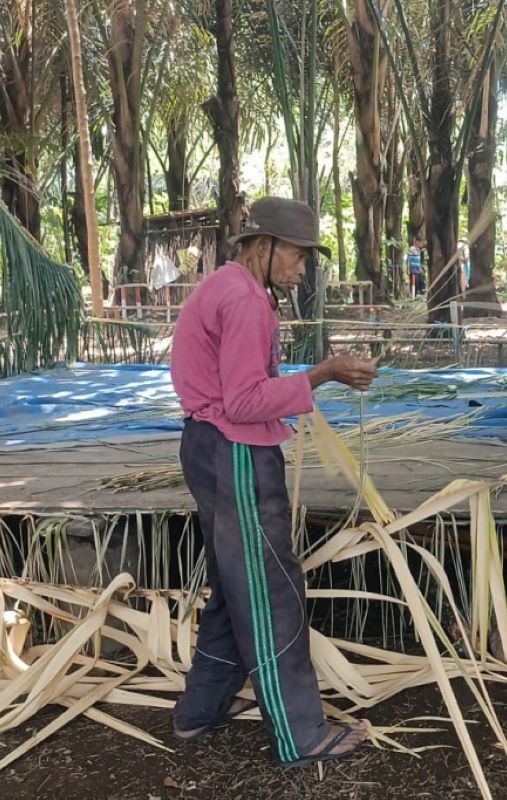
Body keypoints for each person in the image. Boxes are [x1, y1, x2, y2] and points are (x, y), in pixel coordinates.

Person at [169, 196, 377, 766]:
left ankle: (199, 712)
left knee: (235, 588)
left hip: (210, 446)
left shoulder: (231, 287)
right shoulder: (244, 299)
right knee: (269, 587)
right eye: (299, 255)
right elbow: (242, 401)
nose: (303, 268)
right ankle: (302, 736)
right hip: (234, 449)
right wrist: (325, 374)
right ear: (264, 247)